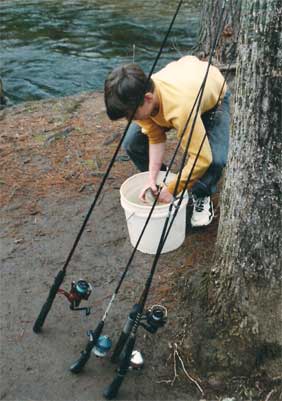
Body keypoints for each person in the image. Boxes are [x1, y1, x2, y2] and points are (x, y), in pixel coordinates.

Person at [104, 55, 230, 227]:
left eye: (130, 115)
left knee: (215, 159)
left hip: (213, 99)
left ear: (148, 98)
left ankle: (201, 192)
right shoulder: (140, 98)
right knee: (132, 142)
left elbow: (202, 158)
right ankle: (164, 180)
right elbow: (155, 138)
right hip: (185, 77)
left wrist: (174, 188)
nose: (129, 119)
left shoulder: (180, 108)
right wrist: (153, 178)